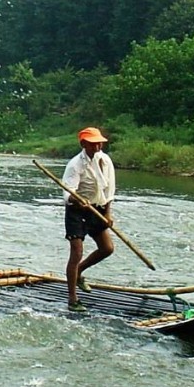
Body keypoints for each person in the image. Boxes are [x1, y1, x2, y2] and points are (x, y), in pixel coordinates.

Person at [62, 126, 117, 312]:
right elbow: (67, 194)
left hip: (98, 208)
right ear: (83, 144)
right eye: (93, 144)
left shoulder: (105, 160)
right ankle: (72, 300)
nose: (98, 146)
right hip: (76, 211)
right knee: (76, 252)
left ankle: (79, 272)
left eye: (100, 143)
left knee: (107, 248)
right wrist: (77, 200)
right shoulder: (75, 165)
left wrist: (108, 214)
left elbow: (109, 191)